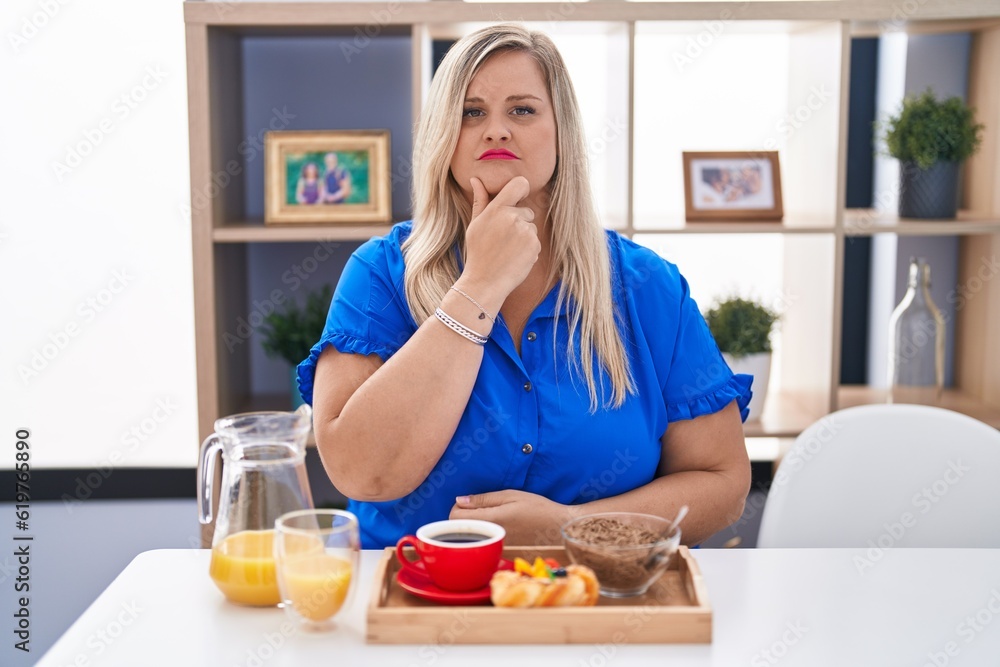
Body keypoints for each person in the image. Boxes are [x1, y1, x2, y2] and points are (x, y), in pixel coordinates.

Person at [297, 24, 753, 549]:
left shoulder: (647, 286)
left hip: (594, 599)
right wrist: (480, 285)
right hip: (416, 601)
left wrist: (571, 529)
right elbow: (359, 473)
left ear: (562, 132)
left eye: (522, 110)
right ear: (444, 136)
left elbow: (722, 484)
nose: (495, 130)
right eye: (472, 112)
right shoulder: (380, 273)